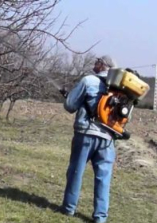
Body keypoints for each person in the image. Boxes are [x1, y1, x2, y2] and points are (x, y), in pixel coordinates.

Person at [59, 55, 117, 223]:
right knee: (103, 178)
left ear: (102, 65)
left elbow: (70, 106)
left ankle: (69, 209)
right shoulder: (121, 90)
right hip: (108, 138)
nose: (94, 64)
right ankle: (100, 217)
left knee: (76, 171)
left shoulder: (88, 80)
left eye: (97, 61)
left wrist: (70, 97)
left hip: (85, 133)